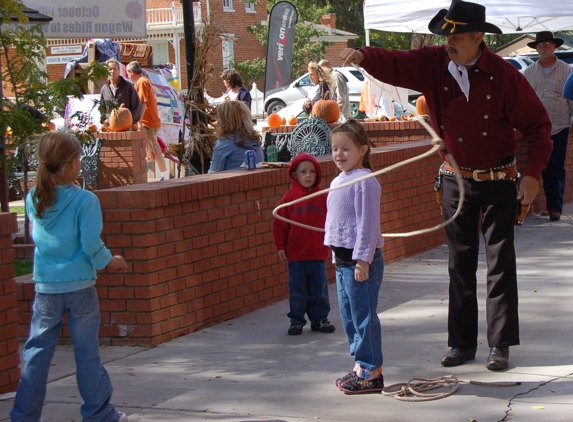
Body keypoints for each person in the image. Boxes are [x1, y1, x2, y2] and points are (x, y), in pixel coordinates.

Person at [340, 0, 552, 372]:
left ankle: (499, 345)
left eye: (456, 36)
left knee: (500, 264)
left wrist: (532, 174)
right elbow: (394, 61)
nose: (448, 42)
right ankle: (461, 344)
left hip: (499, 179)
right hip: (455, 179)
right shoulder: (433, 63)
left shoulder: (504, 75)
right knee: (460, 263)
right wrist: (363, 55)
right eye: (446, 35)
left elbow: (538, 127)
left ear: (477, 37)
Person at [10, 132, 129, 422]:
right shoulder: (84, 201)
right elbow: (90, 244)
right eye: (77, 157)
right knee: (86, 354)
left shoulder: (34, 198)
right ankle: (100, 414)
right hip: (80, 289)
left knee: (37, 353)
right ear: (68, 164)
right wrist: (109, 262)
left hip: (46, 289)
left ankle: (24, 416)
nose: (80, 161)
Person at [324, 121, 385, 394]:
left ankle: (371, 370)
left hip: (361, 262)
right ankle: (360, 367)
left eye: (346, 148)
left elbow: (368, 224)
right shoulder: (337, 181)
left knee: (363, 316)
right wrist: (336, 257)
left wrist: (363, 259)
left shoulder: (365, 181)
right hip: (343, 262)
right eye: (335, 148)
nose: (339, 154)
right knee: (348, 316)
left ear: (362, 150)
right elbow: (336, 224)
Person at [273, 153, 335, 336]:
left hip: (317, 253)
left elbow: (331, 222)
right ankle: (296, 320)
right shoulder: (289, 198)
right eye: (303, 172)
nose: (308, 175)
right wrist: (280, 247)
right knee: (297, 291)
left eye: (312, 172)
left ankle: (320, 319)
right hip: (297, 255)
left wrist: (332, 244)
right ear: (295, 174)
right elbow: (280, 224)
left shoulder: (323, 196)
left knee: (319, 291)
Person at [523, 32, 573, 221]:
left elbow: (571, 98)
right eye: (540, 44)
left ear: (554, 47)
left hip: (559, 125)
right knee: (538, 166)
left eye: (547, 44)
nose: (544, 47)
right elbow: (523, 101)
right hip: (536, 129)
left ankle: (554, 208)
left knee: (556, 167)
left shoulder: (567, 70)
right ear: (536, 48)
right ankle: (534, 205)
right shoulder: (528, 73)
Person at [126, 61, 170, 181]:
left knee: (154, 149)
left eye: (128, 73)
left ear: (131, 72)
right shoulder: (144, 81)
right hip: (150, 121)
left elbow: (143, 103)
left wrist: (138, 121)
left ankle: (165, 176)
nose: (128, 76)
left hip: (148, 123)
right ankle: (161, 175)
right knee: (149, 150)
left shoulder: (142, 82)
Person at [208, 100, 263, 172]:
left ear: (224, 120)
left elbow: (213, 174)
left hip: (233, 182)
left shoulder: (225, 143)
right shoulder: (255, 140)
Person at [100, 58, 142, 127]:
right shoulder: (104, 89)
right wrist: (104, 119)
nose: (112, 71)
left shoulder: (128, 86)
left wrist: (132, 121)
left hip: (126, 126)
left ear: (119, 71)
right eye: (110, 69)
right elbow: (102, 108)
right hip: (110, 126)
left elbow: (137, 106)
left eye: (114, 69)